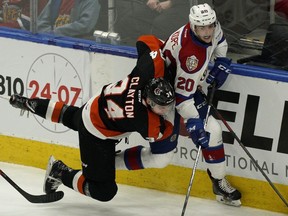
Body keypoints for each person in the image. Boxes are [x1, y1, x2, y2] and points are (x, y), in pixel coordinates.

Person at [8, 34, 175, 202]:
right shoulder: (144, 120)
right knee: (104, 191)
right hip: (96, 133)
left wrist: (162, 52)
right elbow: (166, 131)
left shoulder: (147, 70)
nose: (166, 109)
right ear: (149, 101)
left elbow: (145, 40)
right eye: (162, 107)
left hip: (97, 103)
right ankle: (59, 172)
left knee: (73, 117)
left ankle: (29, 103)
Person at [115, 3, 242, 207]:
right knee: (161, 158)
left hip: (185, 88)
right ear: (193, 26)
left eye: (210, 26)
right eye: (202, 28)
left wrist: (221, 60)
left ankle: (218, 182)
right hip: (165, 94)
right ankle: (108, 163)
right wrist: (193, 123)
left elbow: (221, 41)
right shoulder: (191, 55)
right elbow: (182, 99)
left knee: (214, 131)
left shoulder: (211, 27)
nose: (208, 31)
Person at [114, 0, 190, 46]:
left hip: (184, 6)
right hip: (159, 4)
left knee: (160, 23)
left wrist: (171, 3)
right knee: (127, 20)